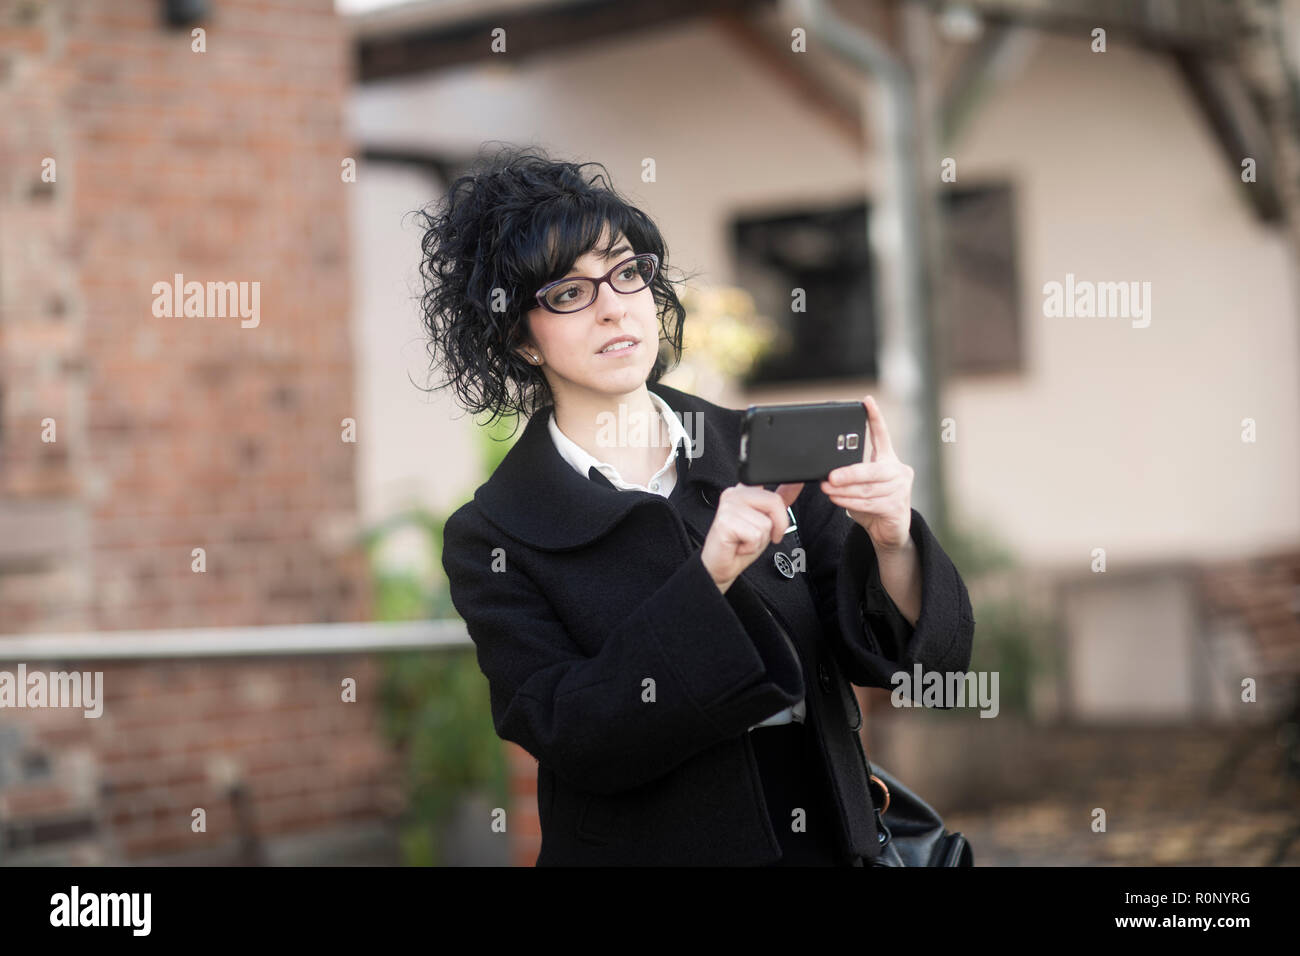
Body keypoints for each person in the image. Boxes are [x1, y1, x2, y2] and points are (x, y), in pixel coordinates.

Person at [417, 144, 975, 866]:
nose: (614, 309)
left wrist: (895, 540)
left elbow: (921, 668)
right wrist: (706, 580)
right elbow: (573, 734)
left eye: (626, 273)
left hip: (825, 839)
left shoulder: (759, 451)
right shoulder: (496, 533)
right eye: (567, 293)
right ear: (522, 341)